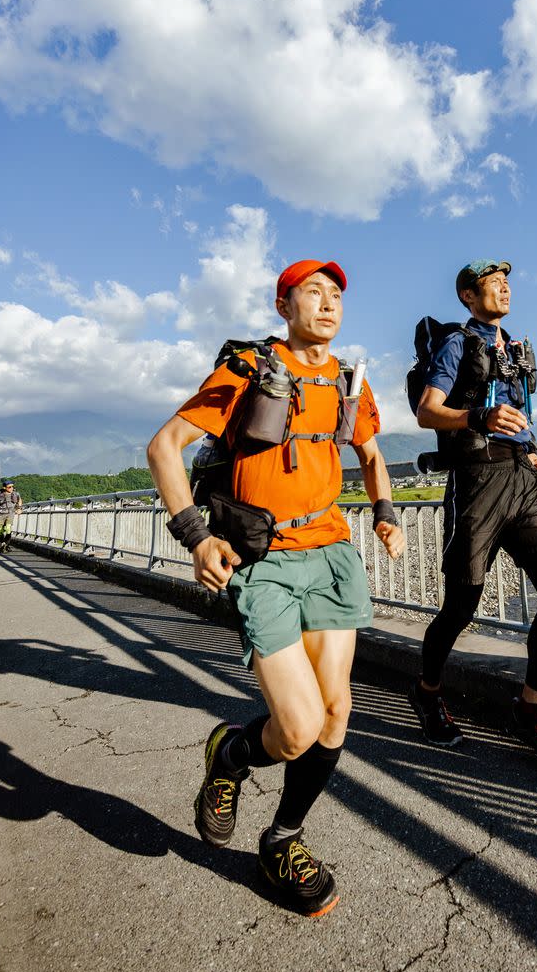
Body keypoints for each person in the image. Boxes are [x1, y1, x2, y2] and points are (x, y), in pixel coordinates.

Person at [148, 259, 404, 918]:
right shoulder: (248, 368)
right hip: (265, 562)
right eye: (312, 293)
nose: (328, 304)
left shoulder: (350, 378)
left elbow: (371, 455)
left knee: (337, 711)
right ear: (282, 304)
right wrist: (196, 538)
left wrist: (384, 513)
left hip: (332, 555)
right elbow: (164, 446)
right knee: (297, 728)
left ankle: (282, 839)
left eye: (337, 294)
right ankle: (230, 755)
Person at [410, 259, 537, 775]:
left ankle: (530, 708)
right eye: (492, 282)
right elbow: (426, 411)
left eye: (508, 280)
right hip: (478, 482)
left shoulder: (516, 349)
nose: (505, 287)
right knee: (461, 606)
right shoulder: (457, 344)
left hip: (523, 482)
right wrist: (478, 417)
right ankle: (426, 691)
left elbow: (516, 410)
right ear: (467, 294)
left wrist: (528, 448)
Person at [0, 481, 22, 553]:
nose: (12, 488)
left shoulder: (16, 494)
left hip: (10, 513)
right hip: (0, 514)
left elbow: (20, 501)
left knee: (8, 528)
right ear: (4, 487)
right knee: (0, 530)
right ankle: (2, 543)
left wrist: (19, 508)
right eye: (9, 487)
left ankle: (6, 544)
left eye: (12, 486)